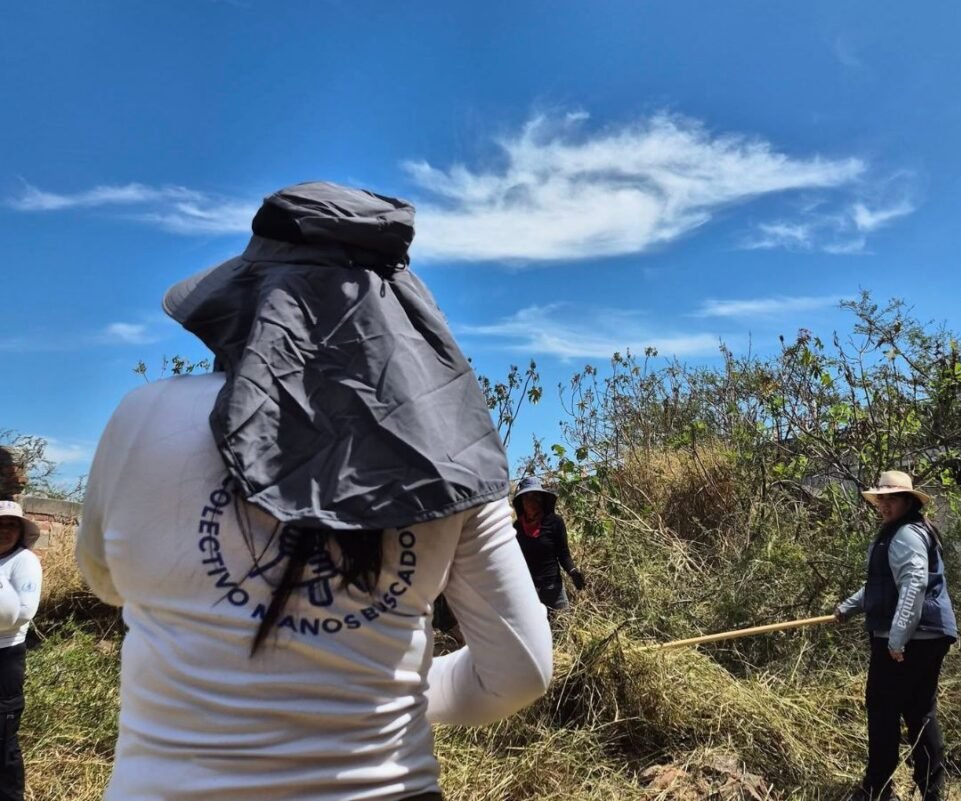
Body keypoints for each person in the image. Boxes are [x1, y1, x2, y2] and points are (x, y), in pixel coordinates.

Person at [76, 182, 553, 801]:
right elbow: (521, 670)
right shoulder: (455, 454)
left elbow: (107, 582)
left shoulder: (142, 418)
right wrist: (387, 692)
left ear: (252, 296)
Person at [835, 471, 958, 801]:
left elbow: (913, 584)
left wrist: (897, 638)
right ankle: (931, 792)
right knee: (919, 712)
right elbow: (882, 585)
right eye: (881, 499)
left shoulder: (904, 535)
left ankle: (877, 789)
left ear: (908, 501)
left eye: (892, 499)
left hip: (909, 639)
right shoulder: (906, 531)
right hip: (928, 635)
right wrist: (847, 607)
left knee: (882, 710)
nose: (884, 505)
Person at [0, 501, 42, 801]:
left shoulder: (24, 561)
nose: (4, 531)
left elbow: (23, 612)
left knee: (3, 736)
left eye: (11, 525)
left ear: (20, 531)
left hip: (5, 657)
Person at [512, 476, 585, 611]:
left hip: (553, 588)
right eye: (527, 496)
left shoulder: (555, 522)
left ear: (542, 499)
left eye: (536, 495)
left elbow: (563, 554)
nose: (532, 500)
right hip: (530, 591)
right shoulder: (517, 527)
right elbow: (515, 560)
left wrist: (573, 572)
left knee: (562, 622)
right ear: (521, 501)